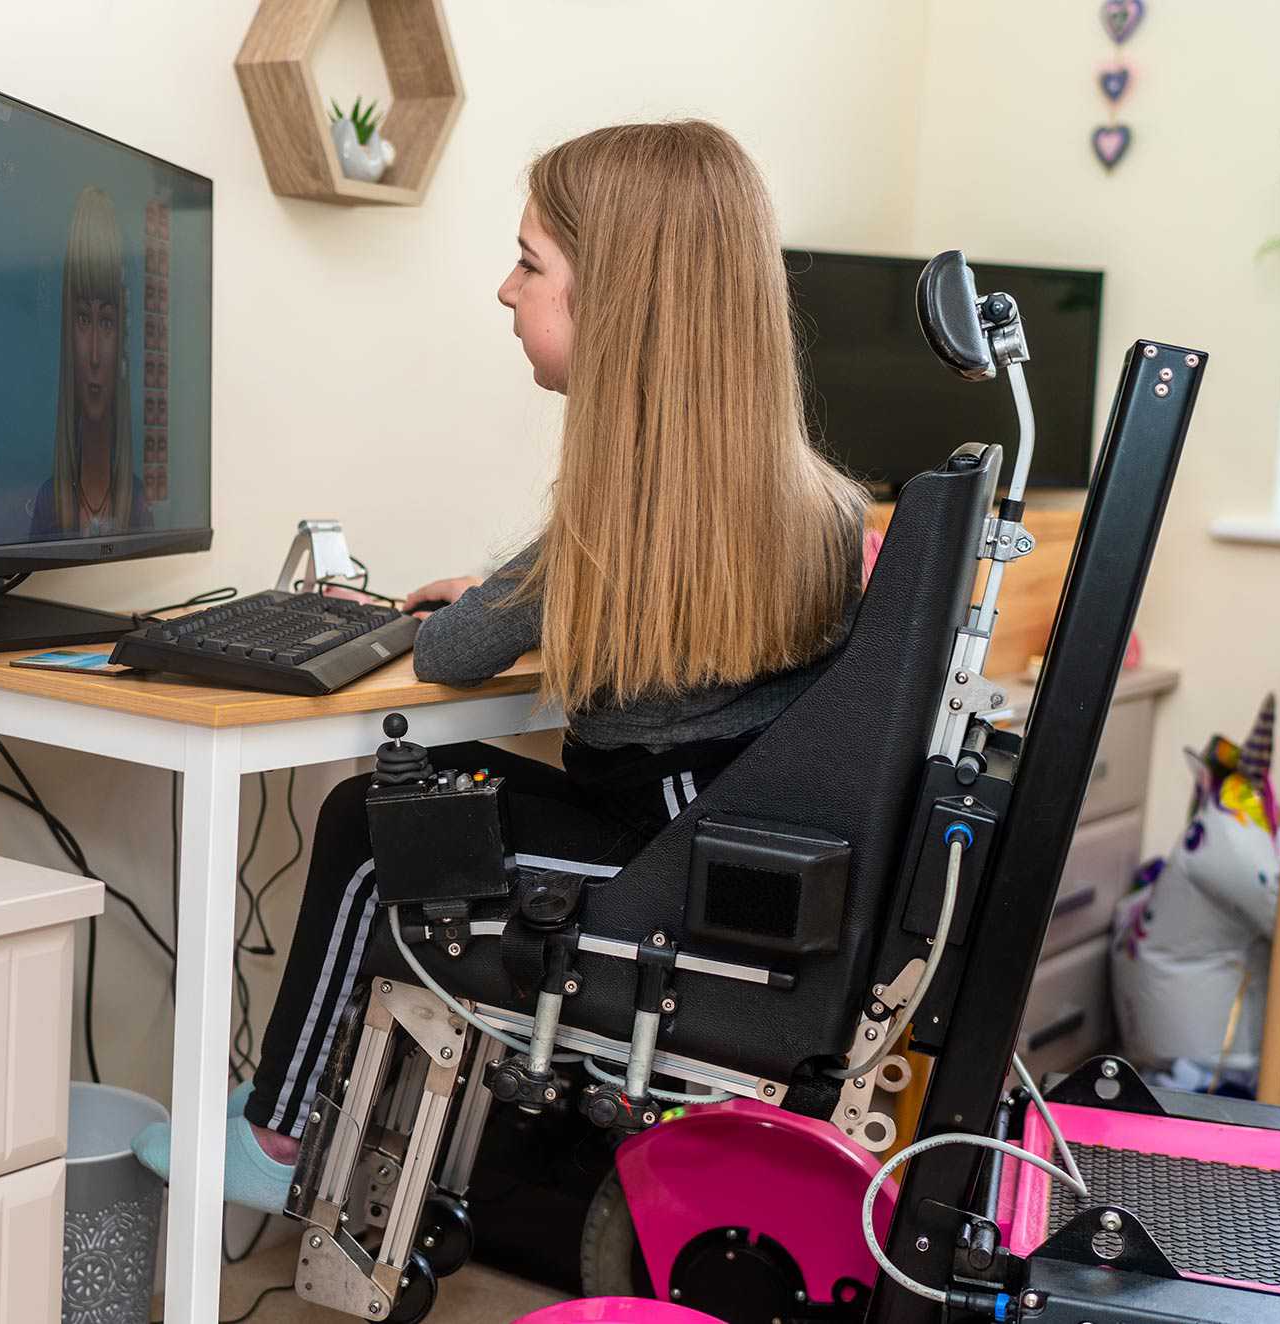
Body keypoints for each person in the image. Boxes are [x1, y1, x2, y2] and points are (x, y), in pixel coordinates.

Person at [134, 121, 870, 1212]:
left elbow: (449, 645)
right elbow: (550, 610)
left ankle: (274, 1137)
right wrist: (505, 593)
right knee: (411, 803)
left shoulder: (626, 513)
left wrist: (487, 601)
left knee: (370, 830)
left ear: (619, 304)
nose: (502, 290)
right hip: (711, 843)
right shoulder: (811, 501)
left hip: (658, 869)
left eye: (530, 264)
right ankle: (296, 1125)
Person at [28, 185, 152, 540]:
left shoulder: (139, 505)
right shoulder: (48, 504)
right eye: (84, 319)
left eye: (107, 322)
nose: (95, 354)